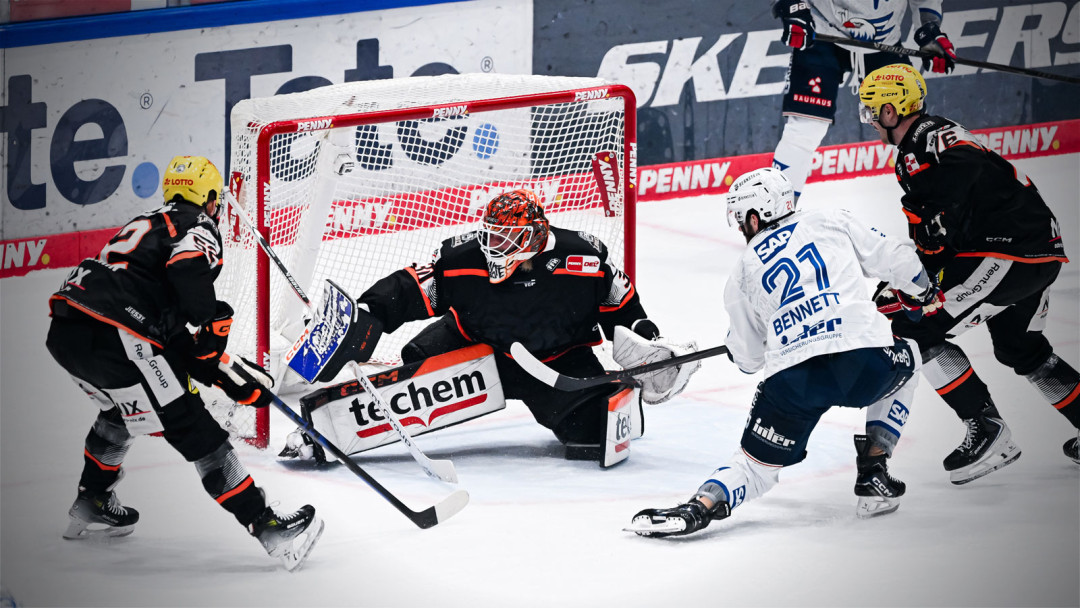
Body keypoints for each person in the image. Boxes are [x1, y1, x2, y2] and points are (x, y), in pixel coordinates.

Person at [627, 167, 940, 537]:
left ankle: (700, 505)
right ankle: (874, 470)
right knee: (913, 357)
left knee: (754, 466)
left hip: (792, 382)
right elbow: (898, 261)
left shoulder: (741, 271)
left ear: (755, 215)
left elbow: (748, 360)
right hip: (863, 362)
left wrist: (741, 348)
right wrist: (924, 290)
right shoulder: (830, 220)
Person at [46, 155, 323, 571]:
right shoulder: (197, 223)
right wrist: (212, 319)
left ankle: (93, 498)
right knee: (194, 428)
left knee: (120, 411)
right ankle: (267, 527)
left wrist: (221, 373)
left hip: (68, 332)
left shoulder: (149, 223)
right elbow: (188, 278)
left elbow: (168, 334)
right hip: (121, 335)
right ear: (210, 197)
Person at [288, 188, 701, 464]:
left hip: (559, 366)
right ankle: (318, 432)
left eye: (505, 239)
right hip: (473, 349)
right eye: (491, 236)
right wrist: (366, 315)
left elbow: (624, 310)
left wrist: (649, 346)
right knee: (409, 379)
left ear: (536, 237)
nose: (492, 248)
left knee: (595, 434)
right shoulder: (463, 259)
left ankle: (609, 408)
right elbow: (409, 289)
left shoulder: (584, 259)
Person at [857, 64, 1079, 480]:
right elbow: (940, 236)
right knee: (1020, 348)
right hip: (1034, 250)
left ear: (891, 111)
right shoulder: (919, 149)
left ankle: (987, 429)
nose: (869, 119)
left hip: (1006, 252)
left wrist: (916, 278)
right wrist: (916, 275)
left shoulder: (926, 139)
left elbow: (963, 170)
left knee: (911, 328)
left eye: (872, 110)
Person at [770, 0, 958, 200]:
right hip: (821, 31)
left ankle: (941, 206)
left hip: (883, 41)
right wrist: (792, 5)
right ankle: (774, 213)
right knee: (806, 129)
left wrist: (928, 27)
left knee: (909, 125)